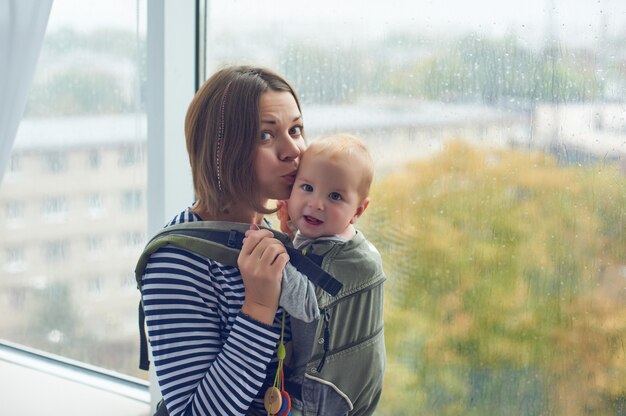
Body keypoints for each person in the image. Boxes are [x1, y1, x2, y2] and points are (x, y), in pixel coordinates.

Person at [139, 65, 306, 416]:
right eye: (266, 135)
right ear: (221, 150)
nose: (293, 150)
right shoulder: (176, 262)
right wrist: (259, 307)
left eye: (296, 129)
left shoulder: (283, 235)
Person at [279, 134, 387, 416]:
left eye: (335, 196)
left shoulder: (351, 262)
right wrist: (289, 234)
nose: (317, 204)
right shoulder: (332, 237)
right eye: (307, 187)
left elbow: (304, 302)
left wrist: (270, 251)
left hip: (324, 393)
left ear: (358, 210)